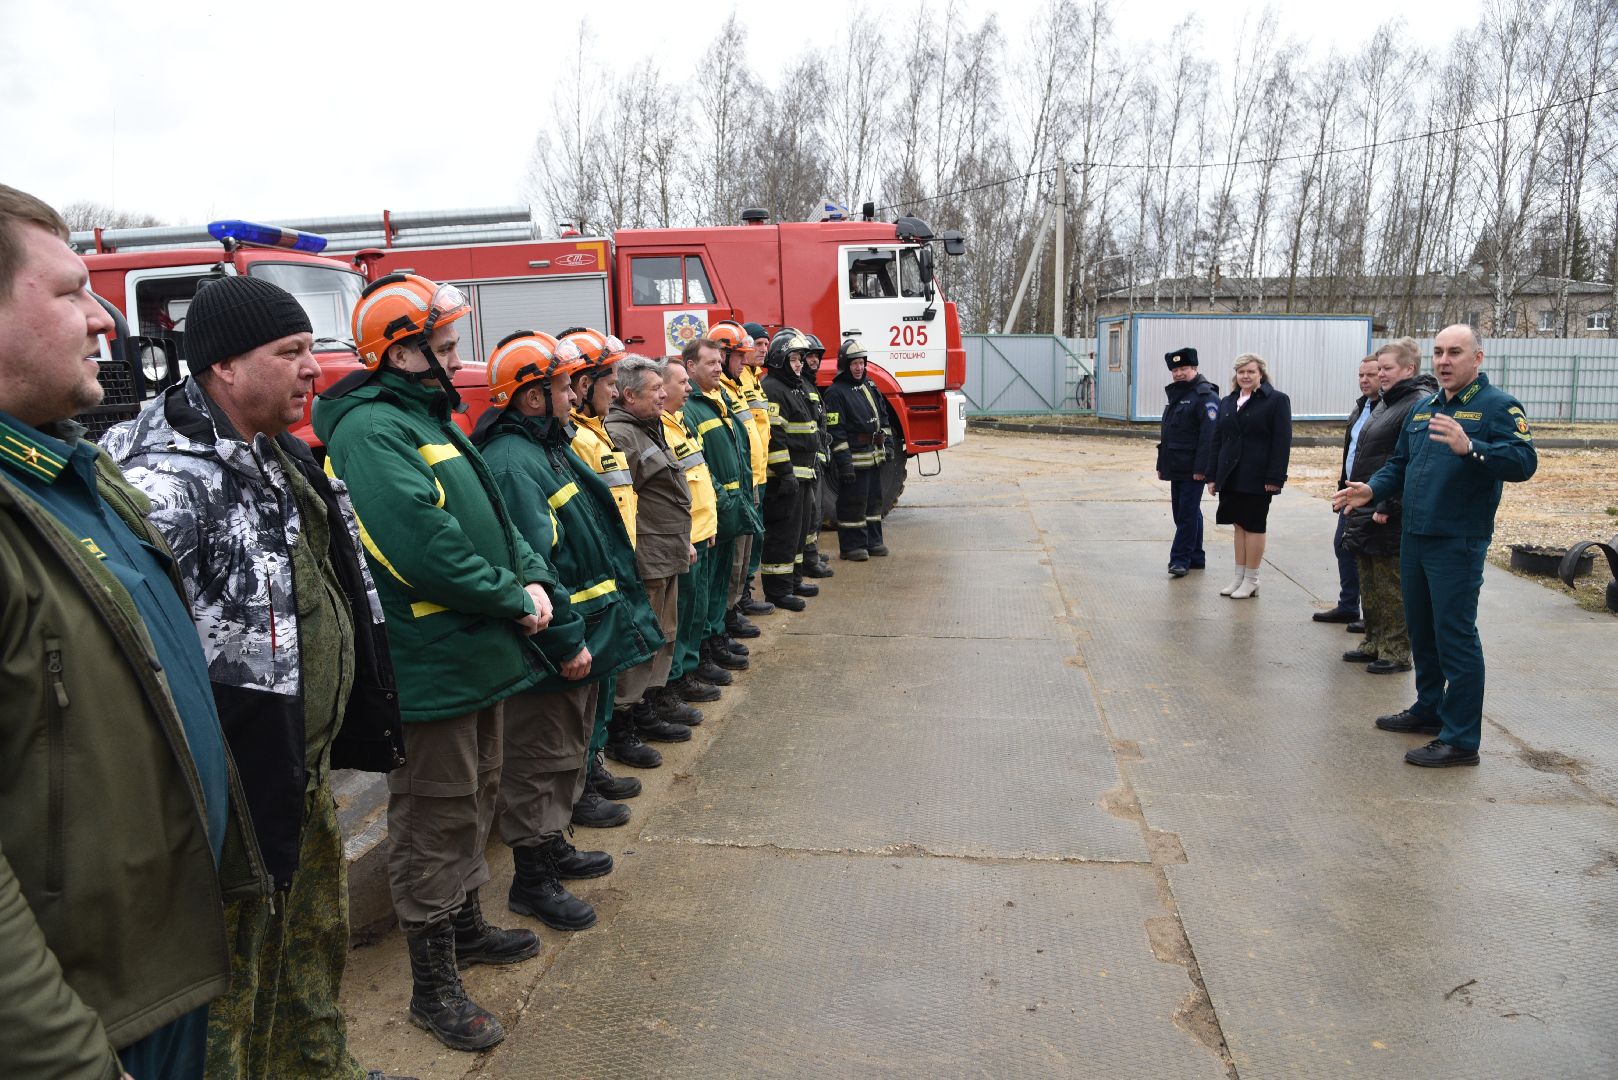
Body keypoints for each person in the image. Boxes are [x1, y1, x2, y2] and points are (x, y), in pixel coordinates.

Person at [103, 275, 407, 1080]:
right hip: (230, 791)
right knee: (232, 993)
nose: (316, 369)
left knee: (309, 952)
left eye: (313, 348)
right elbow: (137, 661)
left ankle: (318, 1069)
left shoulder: (279, 455)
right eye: (292, 352)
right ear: (223, 369)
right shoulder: (166, 487)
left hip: (297, 772)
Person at [0, 183, 262, 1080]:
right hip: (79, 1025)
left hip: (157, 975)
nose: (106, 318)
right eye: (72, 291)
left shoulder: (70, 471)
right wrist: (63, 1055)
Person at [314, 273, 556, 1051]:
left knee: (477, 795)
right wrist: (510, 596)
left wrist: (529, 575)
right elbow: (420, 548)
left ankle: (469, 926)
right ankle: (432, 985)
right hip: (433, 667)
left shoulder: (428, 418)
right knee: (434, 816)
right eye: (444, 346)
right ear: (402, 353)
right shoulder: (371, 431)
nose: (459, 360)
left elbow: (487, 510)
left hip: (476, 654)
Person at [474, 331, 666, 931]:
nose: (575, 392)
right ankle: (531, 880)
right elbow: (532, 567)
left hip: (581, 635)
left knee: (565, 754)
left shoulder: (546, 447)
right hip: (556, 646)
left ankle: (551, 845)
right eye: (563, 385)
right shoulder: (513, 461)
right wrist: (563, 642)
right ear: (532, 397)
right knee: (539, 759)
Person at [1334, 324, 1537, 767]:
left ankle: (1462, 739)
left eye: (1455, 352)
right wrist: (1371, 490)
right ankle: (1429, 708)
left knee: (1455, 637)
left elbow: (1523, 462)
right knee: (1422, 630)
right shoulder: (1424, 408)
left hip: (1457, 540)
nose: (1444, 361)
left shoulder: (1497, 406)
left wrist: (1472, 448)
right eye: (1439, 352)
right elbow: (1401, 464)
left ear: (1477, 358)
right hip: (1415, 536)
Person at [605, 357, 711, 730]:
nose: (664, 393)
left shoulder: (648, 427)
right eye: (655, 389)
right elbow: (622, 504)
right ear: (629, 396)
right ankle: (628, 719)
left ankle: (652, 702)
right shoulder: (621, 435)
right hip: (646, 554)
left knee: (665, 633)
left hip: (667, 548)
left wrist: (682, 541)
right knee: (644, 636)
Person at [1339, 340, 1435, 675]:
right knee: (1369, 576)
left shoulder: (1417, 403)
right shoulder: (1384, 403)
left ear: (1409, 369)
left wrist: (1387, 502)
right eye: (1378, 369)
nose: (1380, 374)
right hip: (1367, 502)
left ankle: (1395, 651)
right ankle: (1373, 641)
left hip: (1387, 509)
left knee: (1391, 583)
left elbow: (1409, 462)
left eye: (1386, 368)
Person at [679, 336, 765, 696]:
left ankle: (715, 639)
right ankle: (702, 652)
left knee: (718, 586)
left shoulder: (721, 399)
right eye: (710, 362)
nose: (718, 367)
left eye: (719, 361)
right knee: (703, 591)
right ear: (690, 367)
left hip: (729, 506)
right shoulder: (690, 408)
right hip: (714, 510)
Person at [661, 353, 729, 704]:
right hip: (685, 537)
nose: (687, 388)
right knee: (682, 613)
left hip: (703, 531)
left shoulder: (678, 423)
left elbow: (699, 478)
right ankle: (677, 678)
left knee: (695, 609)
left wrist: (711, 522)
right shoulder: (662, 427)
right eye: (681, 383)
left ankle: (689, 669)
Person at [1208, 353, 1292, 599]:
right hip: (1231, 475)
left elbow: (1282, 441)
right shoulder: (1227, 400)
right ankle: (1239, 577)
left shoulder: (1276, 400)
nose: (1245, 376)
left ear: (1261, 374)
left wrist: (1275, 477)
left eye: (1250, 372)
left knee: (1254, 525)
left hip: (1258, 476)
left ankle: (1252, 579)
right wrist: (1212, 475)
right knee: (1239, 525)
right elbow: (1217, 440)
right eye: (1241, 372)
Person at [1314, 356, 1380, 621]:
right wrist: (1342, 487)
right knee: (1343, 546)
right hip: (1351, 492)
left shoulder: (1387, 409)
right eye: (1361, 375)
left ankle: (1371, 615)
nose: (1365, 380)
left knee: (1367, 554)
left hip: (1373, 493)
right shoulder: (1361, 407)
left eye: (1371, 375)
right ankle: (1349, 605)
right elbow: (1351, 452)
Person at [758, 328, 821, 609]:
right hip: (786, 477)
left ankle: (793, 582)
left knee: (798, 532)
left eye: (800, 360)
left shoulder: (792, 387)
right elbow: (775, 438)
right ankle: (778, 590)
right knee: (783, 535)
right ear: (780, 360)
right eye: (794, 359)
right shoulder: (773, 388)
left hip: (803, 474)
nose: (799, 365)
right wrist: (784, 473)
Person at [823, 336, 890, 560]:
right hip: (854, 458)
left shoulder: (869, 385)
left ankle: (874, 541)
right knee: (853, 504)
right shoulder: (835, 392)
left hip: (874, 457)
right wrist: (845, 464)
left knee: (874, 503)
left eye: (862, 362)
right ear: (845, 365)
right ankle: (852, 546)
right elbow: (836, 431)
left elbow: (884, 417)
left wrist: (887, 446)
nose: (859, 367)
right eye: (854, 363)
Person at [1154, 346, 1218, 577]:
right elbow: (1169, 434)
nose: (1178, 373)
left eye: (1183, 369)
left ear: (1195, 368)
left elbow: (1209, 437)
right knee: (1185, 512)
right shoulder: (1178, 394)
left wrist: (1203, 469)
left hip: (1193, 469)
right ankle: (1196, 557)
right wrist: (1162, 465)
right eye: (1175, 370)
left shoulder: (1205, 396)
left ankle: (1180, 560)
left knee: (1186, 514)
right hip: (1176, 465)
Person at [797, 332, 835, 580]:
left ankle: (812, 552)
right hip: (804, 462)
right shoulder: (800, 385)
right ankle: (809, 559)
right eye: (809, 356)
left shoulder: (809, 384)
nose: (813, 361)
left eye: (816, 356)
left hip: (816, 458)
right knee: (810, 512)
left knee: (817, 510)